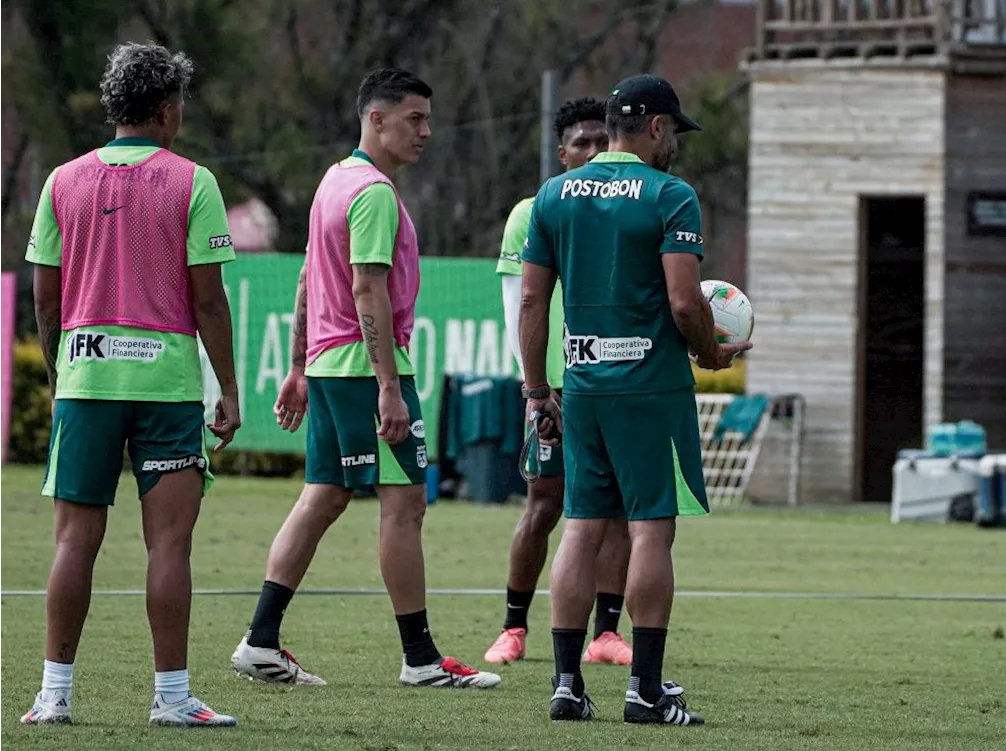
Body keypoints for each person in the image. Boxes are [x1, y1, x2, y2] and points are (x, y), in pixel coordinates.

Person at [230, 68, 499, 690]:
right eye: (414, 118)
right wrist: (388, 385)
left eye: (428, 119)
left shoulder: (334, 180)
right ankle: (421, 660)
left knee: (323, 496)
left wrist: (299, 365)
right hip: (364, 371)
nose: (425, 131)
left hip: (328, 367)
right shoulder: (374, 192)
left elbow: (305, 278)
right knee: (404, 506)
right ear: (375, 119)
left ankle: (261, 641)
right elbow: (366, 287)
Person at [21, 42, 241, 727]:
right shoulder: (193, 181)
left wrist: (63, 373)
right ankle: (171, 699)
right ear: (169, 109)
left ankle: (54, 695)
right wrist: (227, 390)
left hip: (87, 379)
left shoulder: (61, 181)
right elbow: (208, 302)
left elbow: (47, 300)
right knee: (169, 545)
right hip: (166, 384)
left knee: (73, 541)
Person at [520, 73, 750, 725]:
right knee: (651, 529)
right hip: (651, 387)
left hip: (584, 384)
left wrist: (538, 388)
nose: (674, 142)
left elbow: (534, 299)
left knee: (582, 526)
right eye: (672, 129)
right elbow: (684, 300)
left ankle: (566, 685)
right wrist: (709, 352)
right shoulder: (671, 195)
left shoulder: (554, 194)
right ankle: (644, 690)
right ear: (653, 127)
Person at [485, 97, 633, 667]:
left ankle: (607, 633)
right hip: (553, 389)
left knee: (616, 509)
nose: (594, 151)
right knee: (545, 504)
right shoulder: (533, 212)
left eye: (603, 140)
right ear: (562, 152)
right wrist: (537, 389)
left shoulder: (627, 208)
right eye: (582, 143)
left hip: (612, 382)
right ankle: (513, 627)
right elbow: (519, 304)